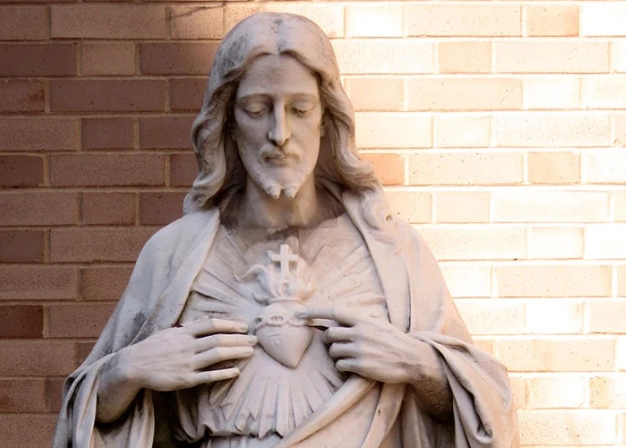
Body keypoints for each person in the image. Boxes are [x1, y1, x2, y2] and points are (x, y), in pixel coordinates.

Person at [53, 12, 519, 448]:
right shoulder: (175, 254)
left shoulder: (394, 253)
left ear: (326, 119)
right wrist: (128, 372)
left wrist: (419, 365)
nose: (280, 133)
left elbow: (487, 409)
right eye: (257, 109)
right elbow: (86, 421)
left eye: (299, 108)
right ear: (228, 122)